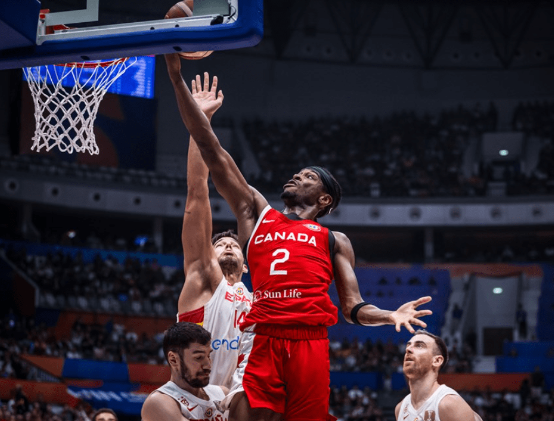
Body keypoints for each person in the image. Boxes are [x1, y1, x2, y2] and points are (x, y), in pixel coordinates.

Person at [165, 54, 433, 421]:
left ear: (324, 200)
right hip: (264, 336)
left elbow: (352, 308)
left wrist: (389, 315)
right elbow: (210, 148)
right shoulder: (257, 213)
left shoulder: (334, 240)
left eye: (308, 176)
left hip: (311, 343)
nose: (297, 176)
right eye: (298, 173)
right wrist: (176, 79)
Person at [177, 72, 251, 390]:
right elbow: (197, 192)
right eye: (219, 244)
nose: (229, 245)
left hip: (243, 407)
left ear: (246, 265)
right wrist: (201, 120)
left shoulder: (258, 301)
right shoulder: (202, 279)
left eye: (234, 244)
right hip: (197, 403)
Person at [141, 322, 227, 421]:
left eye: (208, 356)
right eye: (199, 357)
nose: (208, 366)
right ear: (173, 360)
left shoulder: (223, 393)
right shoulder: (158, 402)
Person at [395, 330, 478, 421]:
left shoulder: (450, 404)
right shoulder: (400, 408)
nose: (408, 349)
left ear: (437, 361)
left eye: (419, 346)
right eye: (408, 345)